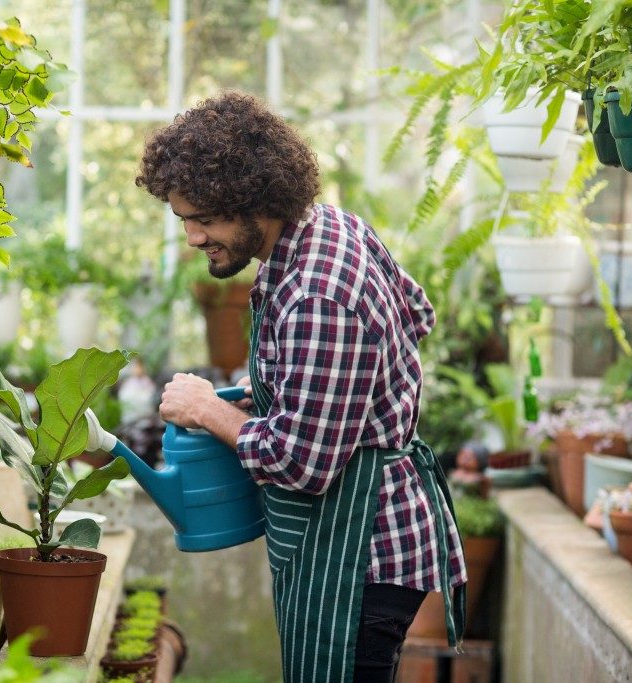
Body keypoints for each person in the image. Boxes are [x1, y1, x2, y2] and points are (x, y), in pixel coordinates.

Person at [135, 91, 467, 683]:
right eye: (183, 217)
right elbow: (417, 314)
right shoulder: (330, 226)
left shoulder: (318, 293)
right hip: (348, 543)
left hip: (359, 552)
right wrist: (303, 390)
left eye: (205, 219)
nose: (191, 237)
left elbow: (303, 463)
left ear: (255, 201)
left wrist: (210, 410)